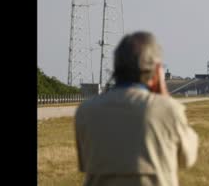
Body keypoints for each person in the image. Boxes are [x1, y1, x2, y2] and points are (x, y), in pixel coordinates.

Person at [75, 31, 199, 186]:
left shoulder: (86, 111)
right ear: (156, 71)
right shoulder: (169, 110)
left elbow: (85, 164)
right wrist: (164, 97)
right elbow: (188, 159)